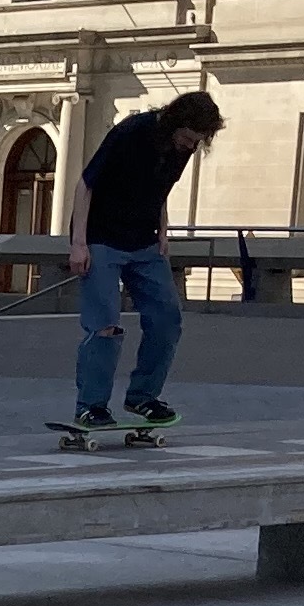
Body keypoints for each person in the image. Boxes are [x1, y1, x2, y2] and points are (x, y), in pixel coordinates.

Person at [62, 88, 223, 434]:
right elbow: (85, 185)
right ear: (175, 123)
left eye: (197, 142)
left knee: (168, 319)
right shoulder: (131, 132)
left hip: (145, 243)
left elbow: (159, 191)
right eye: (188, 138)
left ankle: (143, 396)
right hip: (101, 239)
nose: (190, 147)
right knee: (105, 323)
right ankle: (90, 406)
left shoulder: (183, 147)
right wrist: (79, 243)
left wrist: (164, 232)